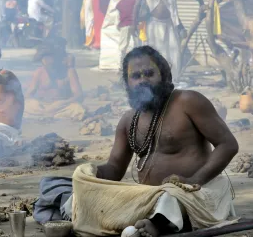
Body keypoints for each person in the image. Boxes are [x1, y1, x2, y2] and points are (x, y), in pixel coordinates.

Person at [55, 46, 238, 236]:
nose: (143, 80)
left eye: (149, 73)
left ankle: (159, 224)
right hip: (149, 197)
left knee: (171, 198)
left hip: (198, 192)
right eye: (136, 76)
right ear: (127, 83)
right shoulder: (128, 120)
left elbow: (228, 145)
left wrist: (193, 181)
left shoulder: (188, 101)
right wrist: (93, 173)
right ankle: (149, 222)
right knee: (80, 197)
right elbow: (115, 169)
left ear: (164, 75)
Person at [25, 38, 86, 121]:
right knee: (25, 105)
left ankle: (49, 116)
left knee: (78, 109)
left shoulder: (69, 72)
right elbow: (28, 95)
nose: (46, 61)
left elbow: (79, 96)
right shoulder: (39, 72)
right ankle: (46, 115)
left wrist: (63, 103)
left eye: (49, 58)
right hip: (42, 107)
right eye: (44, 59)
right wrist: (35, 103)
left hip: (61, 107)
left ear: (57, 58)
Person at [145, 0, 186, 83]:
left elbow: (173, 11)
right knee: (157, 53)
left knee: (174, 52)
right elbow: (140, 5)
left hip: (169, 23)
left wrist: (180, 26)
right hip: (155, 24)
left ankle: (173, 78)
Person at [116, 0, 139, 71]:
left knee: (122, 47)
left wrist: (118, 25)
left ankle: (120, 65)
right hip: (135, 24)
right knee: (137, 45)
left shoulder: (121, 2)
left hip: (124, 25)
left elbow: (118, 16)